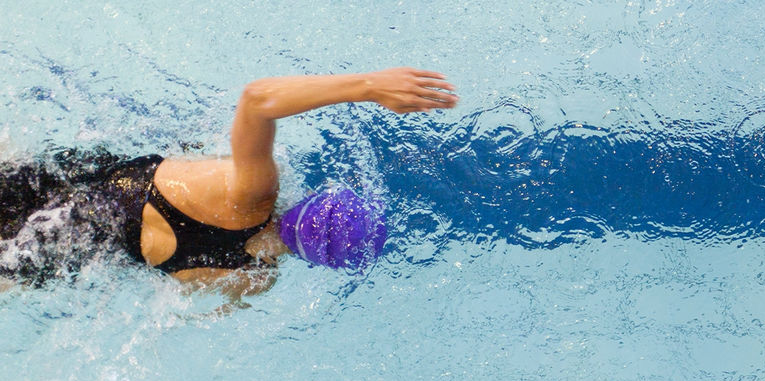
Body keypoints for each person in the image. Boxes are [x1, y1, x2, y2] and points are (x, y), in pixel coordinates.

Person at [0, 67, 458, 304]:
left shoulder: (251, 195)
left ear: (316, 201)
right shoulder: (252, 281)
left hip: (60, 193)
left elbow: (257, 99)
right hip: (55, 258)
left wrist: (370, 86)